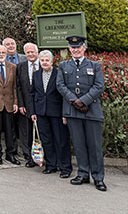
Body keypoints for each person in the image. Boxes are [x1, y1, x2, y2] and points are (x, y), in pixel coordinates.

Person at [56, 35, 107, 191]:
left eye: (78, 47)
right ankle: (83, 173)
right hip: (73, 110)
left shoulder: (95, 65)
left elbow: (99, 86)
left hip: (92, 110)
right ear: (69, 49)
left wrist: (84, 100)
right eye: (73, 48)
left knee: (95, 146)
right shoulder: (63, 66)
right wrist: (74, 100)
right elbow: (60, 85)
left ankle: (98, 177)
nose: (76, 50)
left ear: (84, 48)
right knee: (78, 145)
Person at [29, 50, 72, 178]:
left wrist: (65, 113)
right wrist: (33, 112)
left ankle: (65, 167)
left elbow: (64, 95)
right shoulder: (36, 75)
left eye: (47, 60)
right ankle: (51, 165)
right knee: (46, 140)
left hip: (57, 112)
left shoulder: (59, 73)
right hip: (41, 112)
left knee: (61, 140)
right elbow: (32, 94)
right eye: (42, 60)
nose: (44, 62)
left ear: (52, 61)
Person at [17, 42, 40, 167]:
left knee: (41, 131)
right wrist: (21, 104)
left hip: (41, 105)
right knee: (27, 132)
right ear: (25, 54)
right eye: (28, 52)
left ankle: (42, 157)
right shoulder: (21, 66)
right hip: (26, 104)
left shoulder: (43, 64)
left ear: (37, 52)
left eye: (32, 52)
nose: (30, 54)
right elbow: (18, 87)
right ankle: (30, 157)